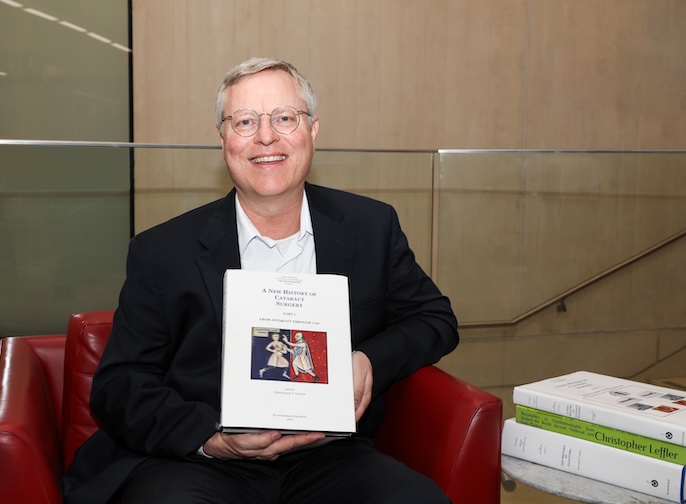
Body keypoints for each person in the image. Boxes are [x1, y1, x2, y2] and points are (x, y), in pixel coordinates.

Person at [62, 57, 459, 504]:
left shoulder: (371, 227)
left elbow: (435, 319)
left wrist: (369, 359)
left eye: (285, 118)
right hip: (200, 462)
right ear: (224, 138)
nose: (266, 136)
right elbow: (119, 386)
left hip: (332, 459)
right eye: (246, 121)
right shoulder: (162, 252)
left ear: (313, 130)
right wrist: (211, 437)